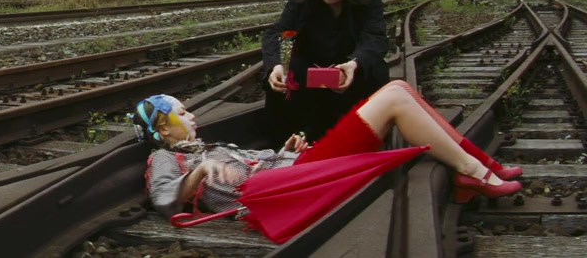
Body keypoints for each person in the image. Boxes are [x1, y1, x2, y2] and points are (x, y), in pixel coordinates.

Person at [135, 87, 522, 219]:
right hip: (290, 187)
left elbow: (249, 165)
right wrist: (199, 174)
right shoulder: (166, 158)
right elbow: (165, 199)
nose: (192, 115)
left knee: (400, 91)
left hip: (299, 170)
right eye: (182, 112)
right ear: (163, 129)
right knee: (394, 98)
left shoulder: (206, 148)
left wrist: (282, 152)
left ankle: (481, 167)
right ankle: (475, 172)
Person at [261, 0, 390, 143]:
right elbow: (279, 32)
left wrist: (354, 64)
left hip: (349, 73)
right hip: (310, 73)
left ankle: (364, 138)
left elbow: (375, 37)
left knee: (376, 69)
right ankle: (285, 143)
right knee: (284, 75)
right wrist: (276, 65)